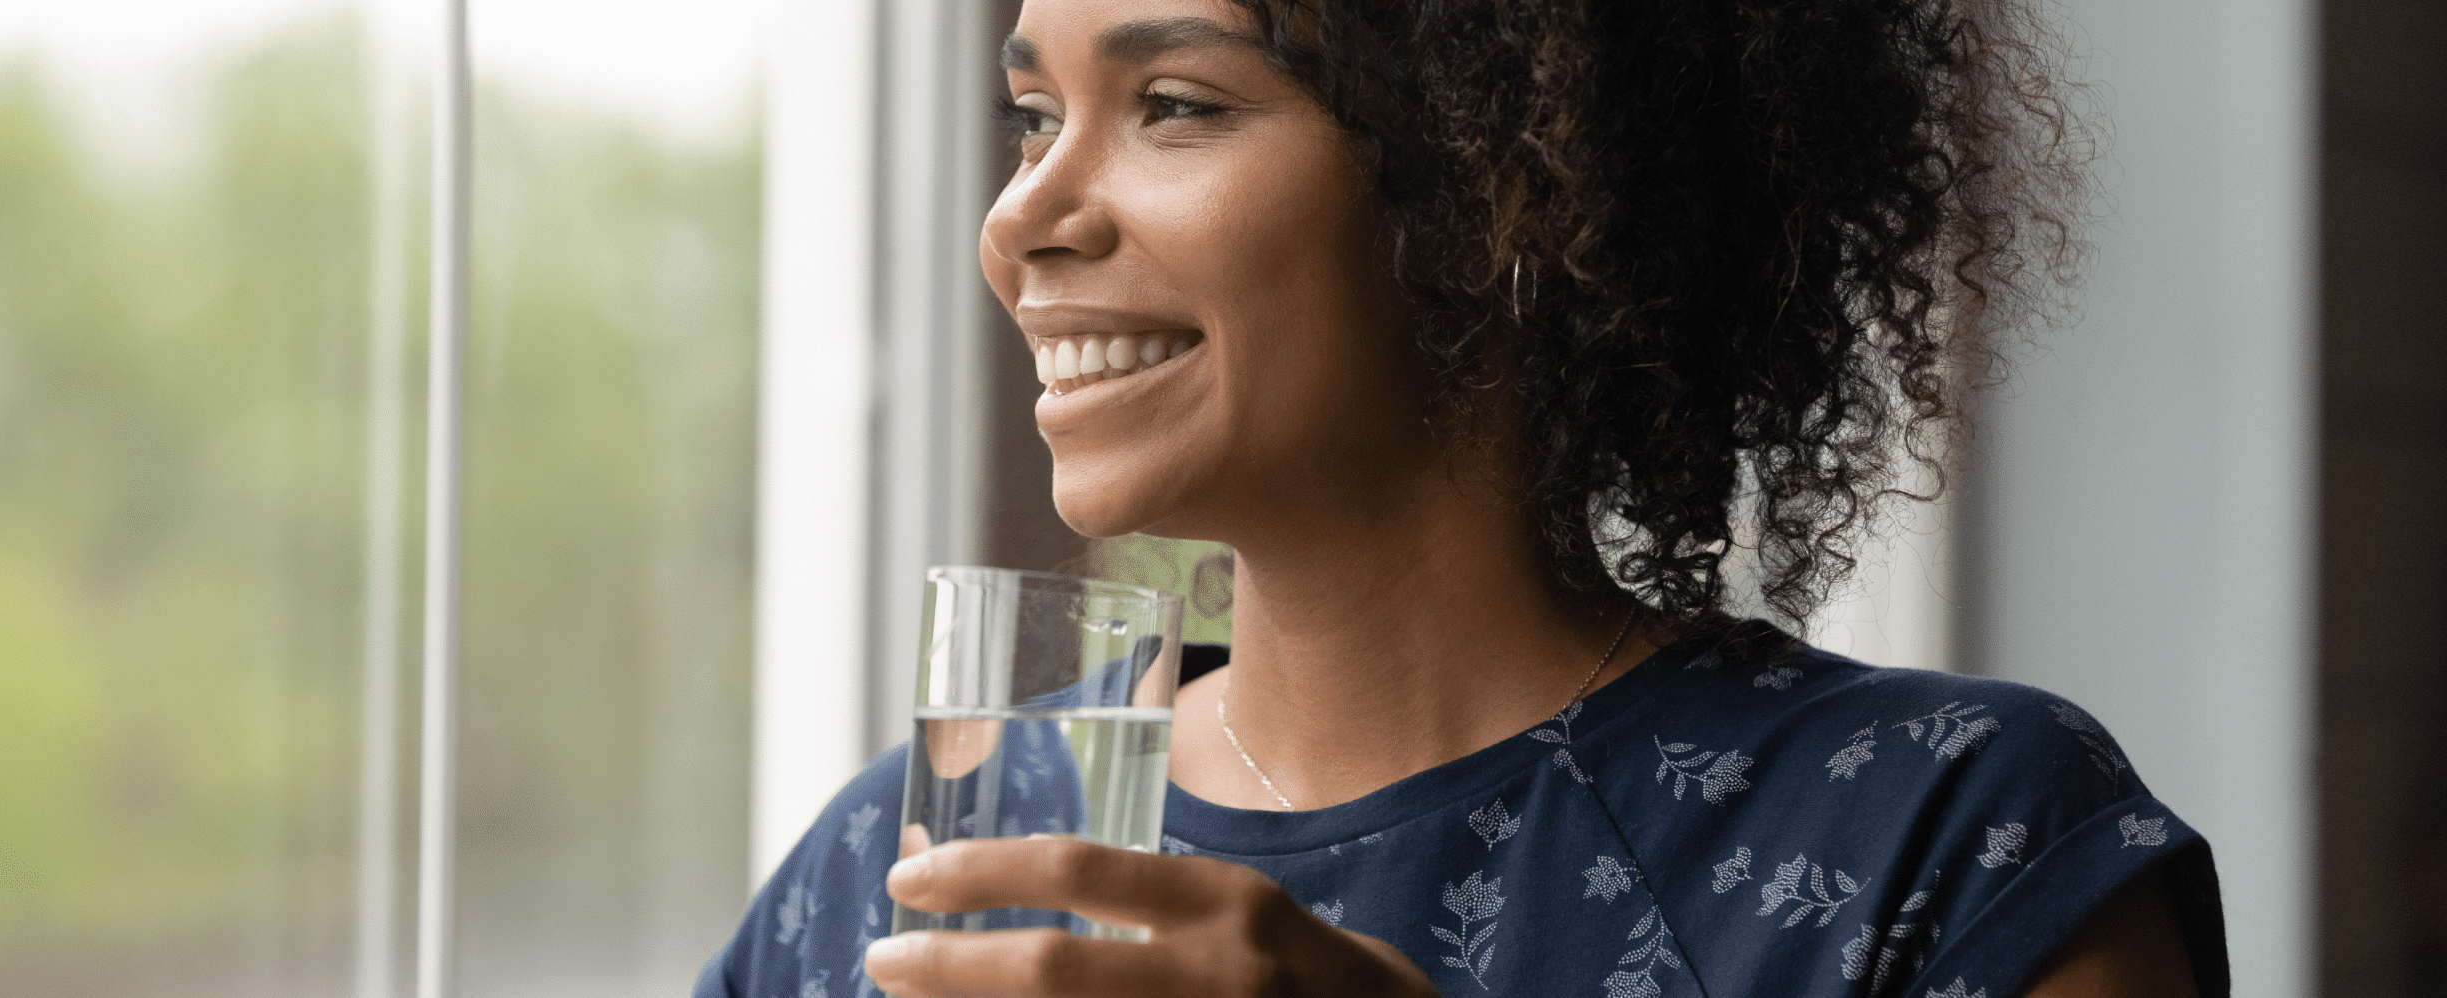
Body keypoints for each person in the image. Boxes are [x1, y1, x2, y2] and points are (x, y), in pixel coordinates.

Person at [697, 0, 2230, 993]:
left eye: (1173, 102)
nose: (1020, 218)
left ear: (1519, 184)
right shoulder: (908, 864)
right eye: (1034, 117)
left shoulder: (1959, 845)